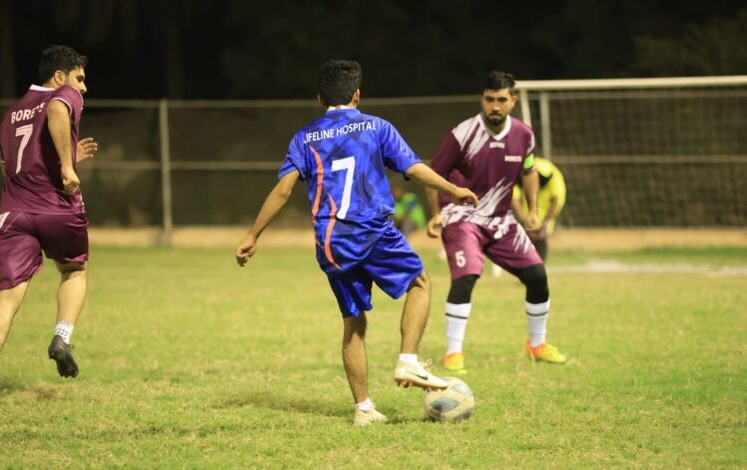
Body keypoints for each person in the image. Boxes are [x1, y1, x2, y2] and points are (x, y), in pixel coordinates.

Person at [235, 59, 478, 426]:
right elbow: (412, 168)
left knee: (353, 323)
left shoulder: (304, 137)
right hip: (371, 228)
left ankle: (363, 408)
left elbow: (283, 190)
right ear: (357, 94)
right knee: (421, 283)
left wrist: (253, 235)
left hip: (330, 241)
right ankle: (408, 360)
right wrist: (453, 189)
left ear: (320, 98)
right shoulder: (377, 127)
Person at [0, 45, 98, 410]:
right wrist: (67, 166)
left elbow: (12, 164)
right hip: (56, 208)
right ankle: (61, 337)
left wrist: (67, 156)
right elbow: (57, 109)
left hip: (13, 214)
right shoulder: (65, 96)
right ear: (59, 76)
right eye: (79, 78)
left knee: (7, 295)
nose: (82, 87)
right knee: (74, 270)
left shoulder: (12, 113)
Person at [425, 71, 567, 374]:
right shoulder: (463, 134)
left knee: (537, 275)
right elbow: (433, 175)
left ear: (512, 101)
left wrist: (532, 210)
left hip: (501, 220)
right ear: (482, 99)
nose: (495, 106)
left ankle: (537, 345)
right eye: (489, 99)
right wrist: (436, 212)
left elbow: (529, 171)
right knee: (466, 276)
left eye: (501, 100)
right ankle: (453, 352)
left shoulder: (523, 135)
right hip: (462, 216)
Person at [511, 156, 566, 261]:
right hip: (526, 210)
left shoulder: (554, 178)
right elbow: (514, 200)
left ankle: (539, 262)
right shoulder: (520, 174)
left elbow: (557, 201)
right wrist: (523, 220)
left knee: (541, 238)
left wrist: (546, 221)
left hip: (544, 211)